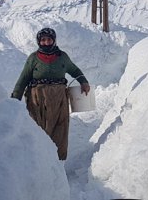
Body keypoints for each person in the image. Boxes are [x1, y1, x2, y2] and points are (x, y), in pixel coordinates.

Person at [11, 27, 90, 160]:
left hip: (59, 99)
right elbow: (23, 78)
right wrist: (14, 100)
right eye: (43, 40)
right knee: (38, 129)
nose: (46, 42)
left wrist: (84, 81)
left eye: (49, 39)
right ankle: (38, 160)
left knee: (60, 128)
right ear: (39, 42)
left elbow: (75, 70)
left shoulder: (62, 57)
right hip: (37, 99)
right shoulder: (33, 58)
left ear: (54, 41)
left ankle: (57, 163)